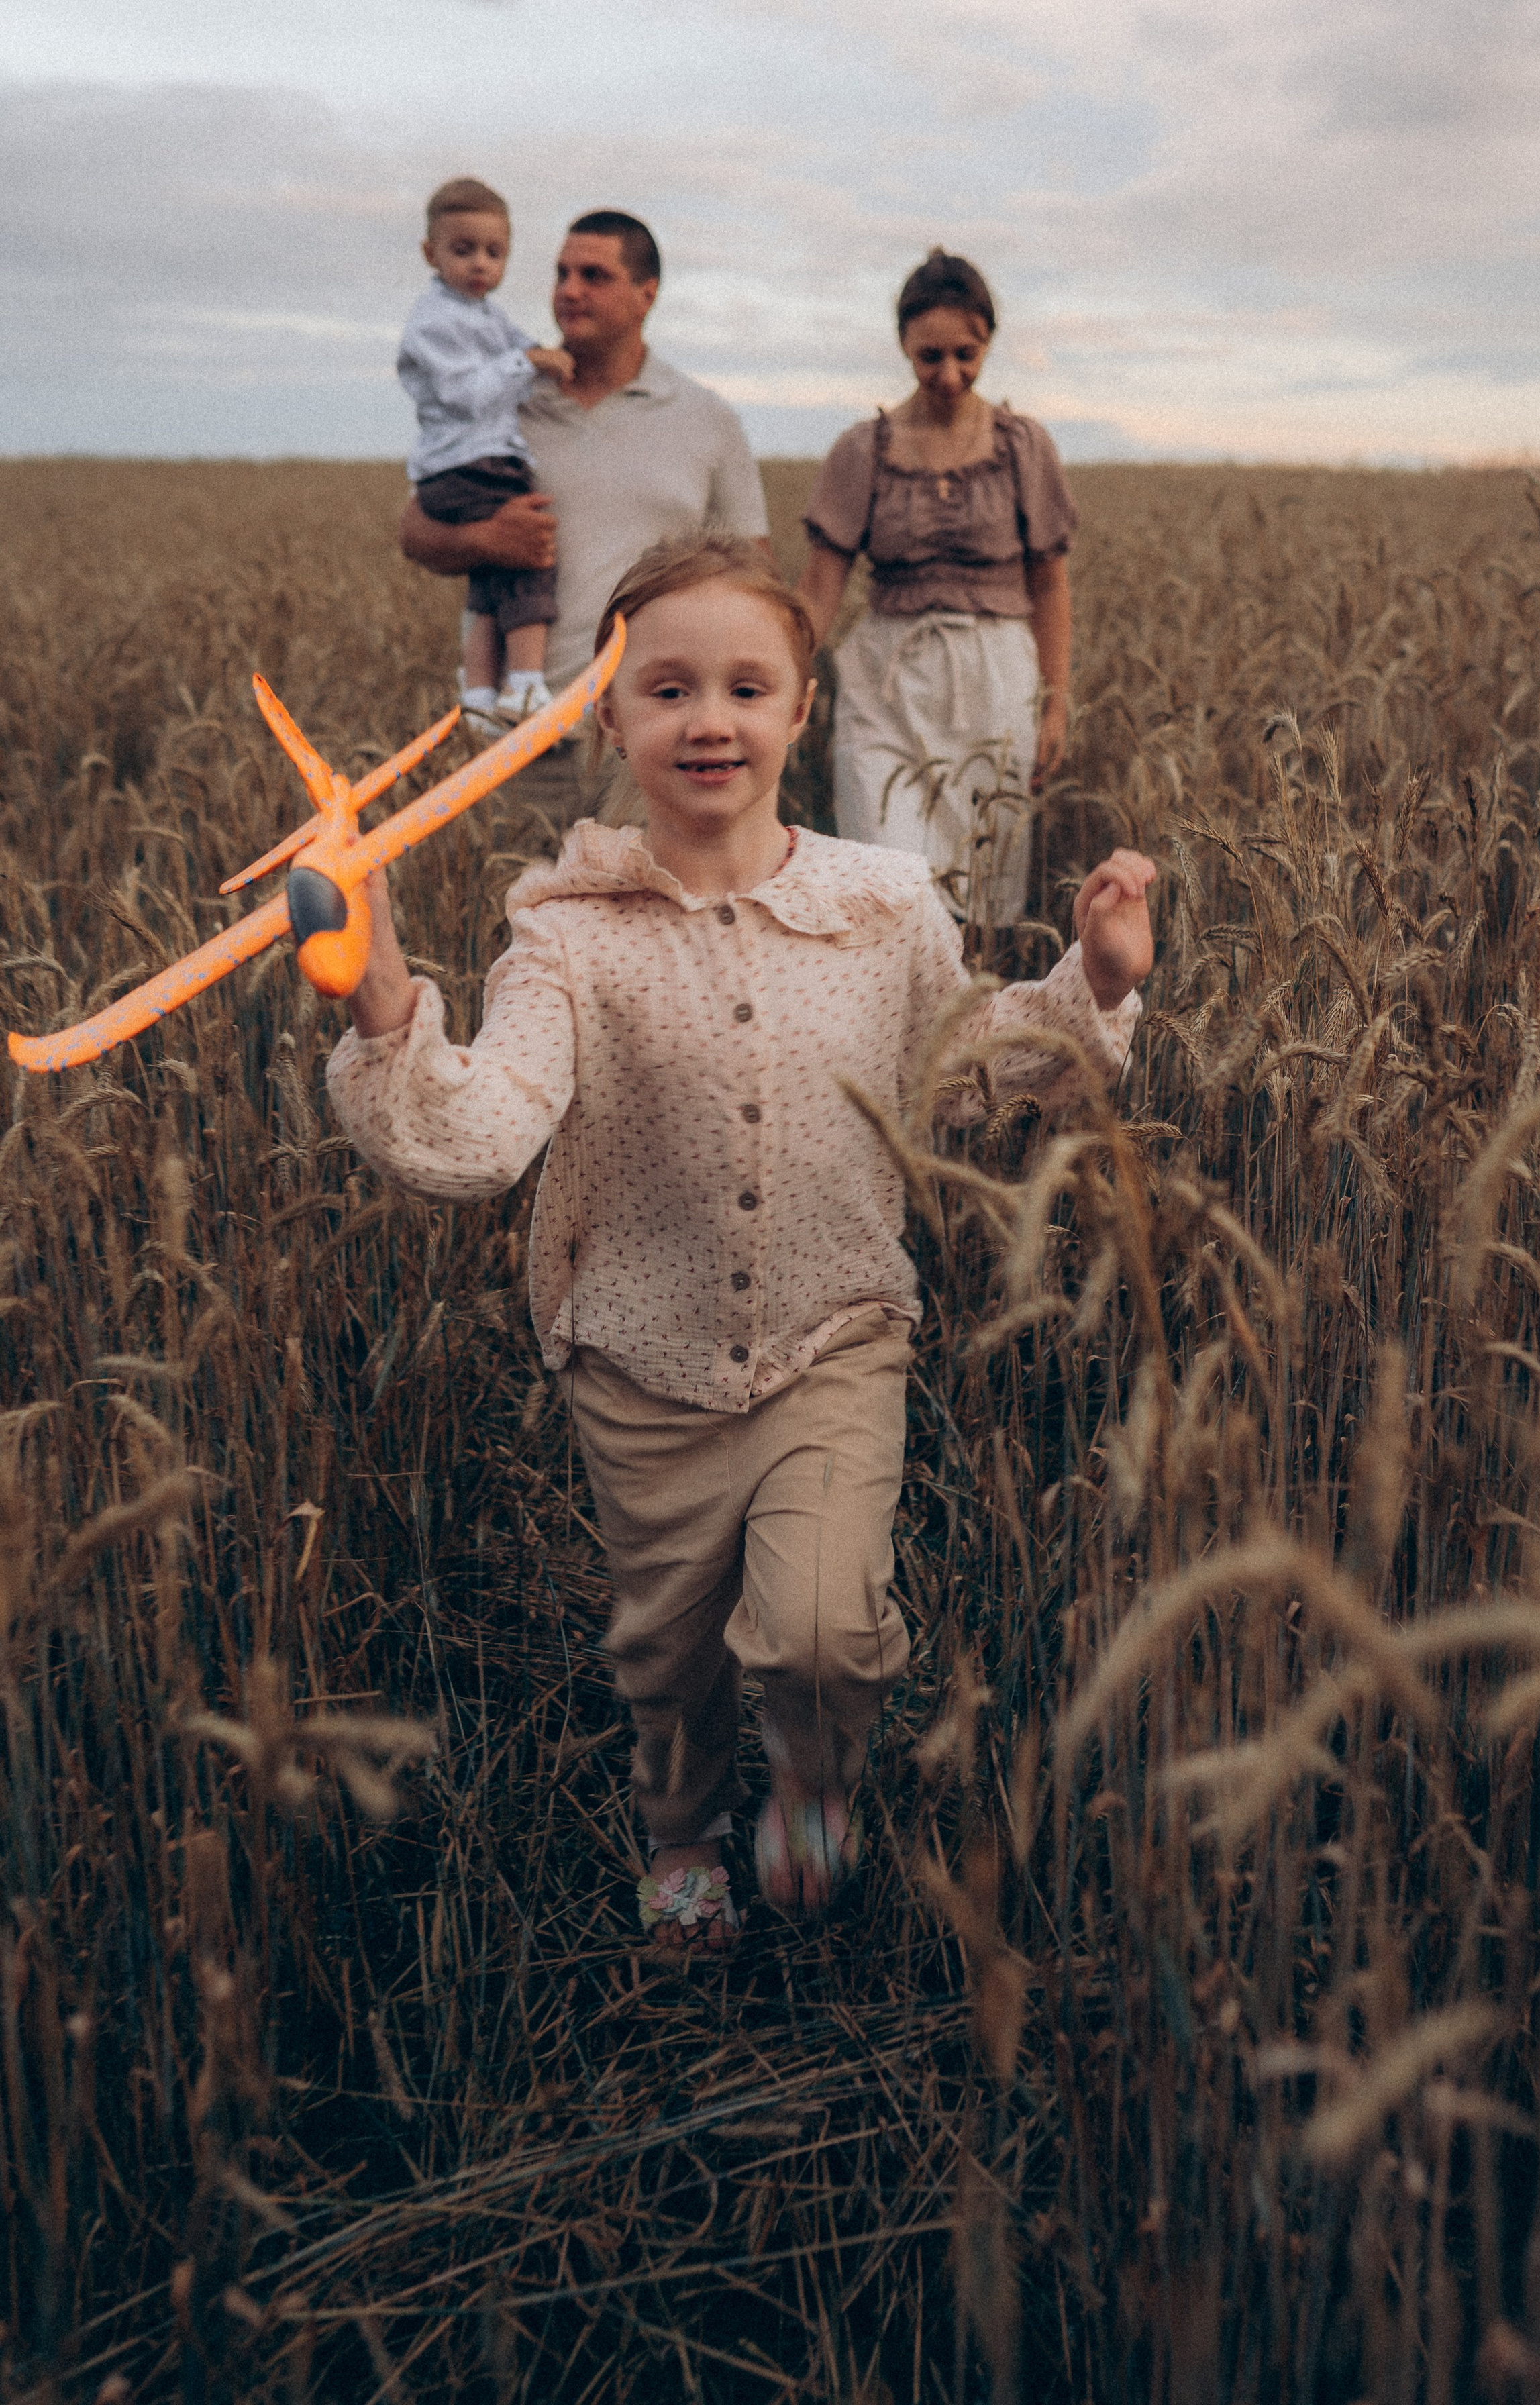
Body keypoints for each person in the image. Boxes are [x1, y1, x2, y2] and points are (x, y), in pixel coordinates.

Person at [323, 534, 1156, 1957]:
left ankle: (814, 1787)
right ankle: (681, 1828)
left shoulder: (882, 907)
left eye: (745, 686)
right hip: (639, 1364)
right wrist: (387, 1000)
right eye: (666, 687)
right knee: (666, 1649)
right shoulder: (566, 931)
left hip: (837, 1335)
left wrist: (1095, 983)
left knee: (824, 1630)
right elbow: (484, 1133)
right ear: (610, 716)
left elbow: (965, 1066)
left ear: (800, 709)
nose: (707, 716)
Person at [398, 209, 770, 744]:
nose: (569, 291)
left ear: (647, 294)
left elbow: (754, 574)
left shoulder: (706, 418)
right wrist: (482, 540)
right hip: (515, 739)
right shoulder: (504, 396)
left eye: (594, 276)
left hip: (655, 744)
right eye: (561, 274)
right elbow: (414, 531)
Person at [798, 249, 1079, 927]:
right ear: (902, 345)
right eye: (930, 357)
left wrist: (1055, 704)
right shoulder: (861, 451)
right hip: (885, 685)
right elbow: (818, 593)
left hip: (996, 686)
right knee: (882, 879)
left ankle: (967, 1029)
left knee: (982, 891)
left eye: (966, 353)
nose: (949, 375)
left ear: (988, 342)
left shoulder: (1022, 447)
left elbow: (1049, 583)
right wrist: (770, 679)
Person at [397, 177, 576, 731]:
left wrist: (541, 356)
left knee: (489, 583)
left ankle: (477, 697)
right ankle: (524, 686)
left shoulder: (485, 314)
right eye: (463, 249)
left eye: (494, 253)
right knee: (530, 556)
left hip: (470, 463)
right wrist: (532, 364)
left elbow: (523, 346)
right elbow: (466, 394)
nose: (480, 264)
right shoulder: (434, 321)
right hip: (470, 464)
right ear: (431, 253)